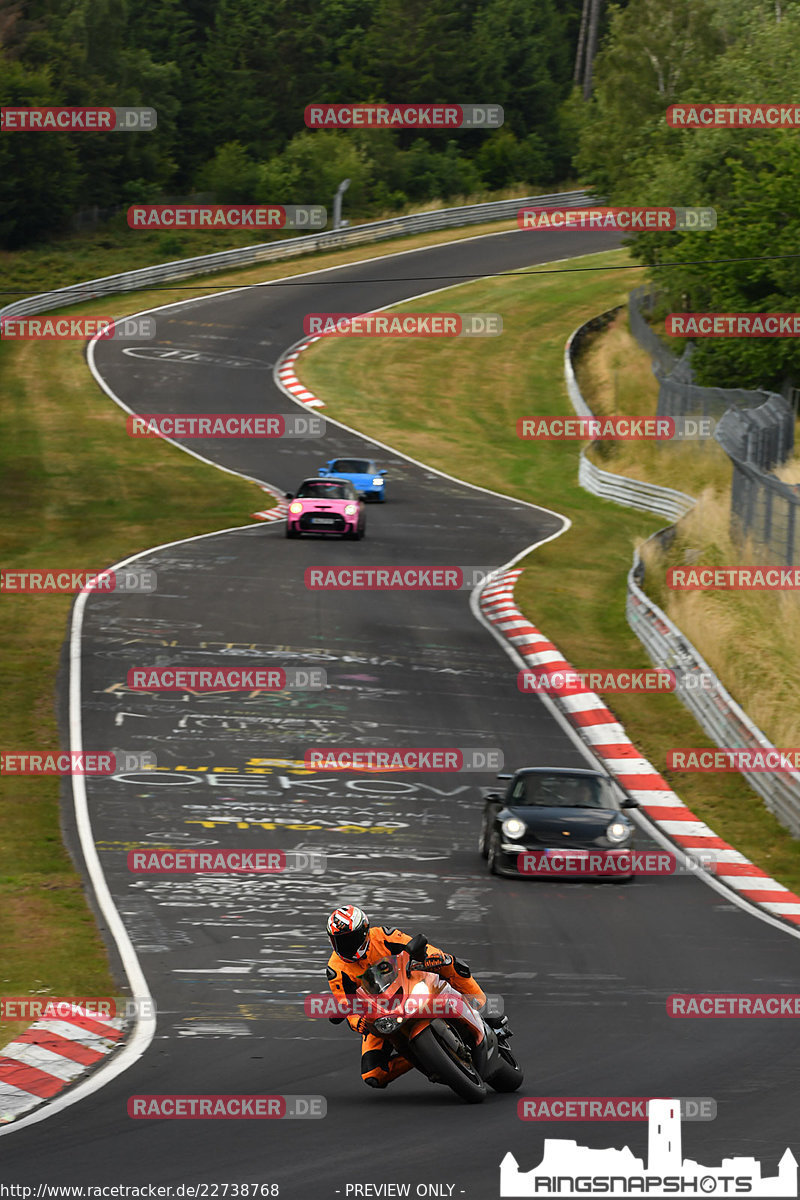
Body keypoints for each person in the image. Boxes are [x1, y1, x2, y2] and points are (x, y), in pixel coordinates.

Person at [325, 904, 506, 1089]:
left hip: (410, 984)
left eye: (351, 938)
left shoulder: (384, 935)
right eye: (339, 941)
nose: (345, 945)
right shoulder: (336, 970)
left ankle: (484, 1008)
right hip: (382, 1013)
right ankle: (425, 1055)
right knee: (373, 1074)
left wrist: (432, 957)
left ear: (365, 931)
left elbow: (418, 947)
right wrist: (358, 1022)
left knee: (449, 962)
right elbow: (347, 1005)